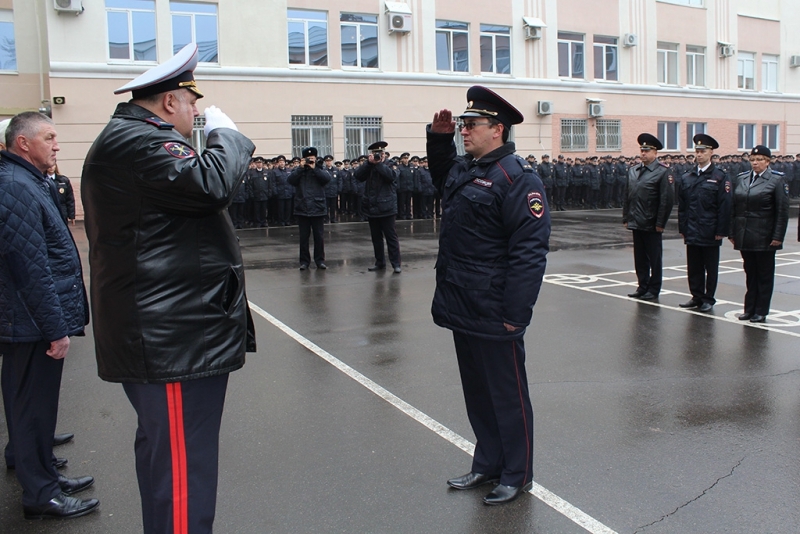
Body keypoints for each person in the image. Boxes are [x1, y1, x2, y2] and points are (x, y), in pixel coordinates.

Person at [81, 44, 257, 533]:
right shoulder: (143, 142)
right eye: (191, 102)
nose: (196, 112)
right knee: (183, 472)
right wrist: (228, 135)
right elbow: (210, 185)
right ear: (168, 103)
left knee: (169, 463)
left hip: (166, 332)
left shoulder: (130, 138)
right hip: (172, 337)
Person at [427, 86, 550, 505]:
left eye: (470, 125)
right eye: (462, 125)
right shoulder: (469, 168)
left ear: (497, 129)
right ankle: (487, 463)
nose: (464, 130)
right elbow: (444, 180)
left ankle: (517, 473)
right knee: (477, 392)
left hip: (496, 308)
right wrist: (438, 141)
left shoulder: (518, 178)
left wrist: (517, 313)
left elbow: (529, 252)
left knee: (507, 396)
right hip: (464, 302)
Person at [1, 112, 98, 520]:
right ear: (23, 143)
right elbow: (31, 268)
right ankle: (40, 494)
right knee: (30, 408)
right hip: (31, 323)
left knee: (37, 407)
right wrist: (54, 328)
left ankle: (42, 473)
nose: (56, 144)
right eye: (49, 137)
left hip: (31, 320)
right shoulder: (15, 185)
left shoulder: (27, 179)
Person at [729, 145, 789, 323]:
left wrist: (778, 236)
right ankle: (749, 308)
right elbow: (734, 207)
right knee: (750, 273)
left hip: (765, 235)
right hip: (745, 234)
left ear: (768, 162)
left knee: (764, 275)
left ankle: (761, 310)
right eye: (753, 160)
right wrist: (732, 231)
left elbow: (782, 211)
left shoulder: (776, 180)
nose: (755, 163)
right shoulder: (742, 178)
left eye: (759, 160)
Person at [676, 134, 732, 312]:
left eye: (703, 151)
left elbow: (725, 205)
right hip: (692, 228)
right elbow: (682, 206)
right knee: (694, 266)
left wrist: (721, 230)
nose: (699, 155)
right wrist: (682, 227)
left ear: (711, 152)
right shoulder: (688, 176)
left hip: (710, 229)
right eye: (697, 151)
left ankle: (708, 298)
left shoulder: (719, 176)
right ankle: (696, 296)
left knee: (711, 267)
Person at [623, 133, 674, 300]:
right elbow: (628, 196)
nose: (643, 153)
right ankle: (642, 285)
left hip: (652, 222)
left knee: (654, 258)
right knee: (640, 257)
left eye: (647, 150)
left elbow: (666, 200)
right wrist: (626, 217)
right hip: (636, 220)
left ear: (655, 153)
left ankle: (654, 288)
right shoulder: (633, 170)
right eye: (642, 150)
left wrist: (660, 222)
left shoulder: (662, 172)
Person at [354, 141, 402, 273]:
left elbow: (391, 177)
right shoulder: (368, 165)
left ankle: (396, 263)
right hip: (371, 207)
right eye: (375, 154)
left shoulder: (391, 164)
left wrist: (379, 164)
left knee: (391, 237)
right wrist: (369, 164)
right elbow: (358, 176)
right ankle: (380, 262)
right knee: (376, 238)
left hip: (387, 207)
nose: (378, 156)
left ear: (384, 154)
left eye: (380, 153)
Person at [288, 147, 330, 270]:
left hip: (317, 208)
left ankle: (320, 261)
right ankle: (304, 262)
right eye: (308, 159)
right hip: (303, 208)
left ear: (316, 158)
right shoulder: (299, 171)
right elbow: (290, 180)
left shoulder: (320, 169)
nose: (310, 161)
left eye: (312, 159)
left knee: (319, 237)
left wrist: (315, 168)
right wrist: (301, 168)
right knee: (303, 238)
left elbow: (327, 179)